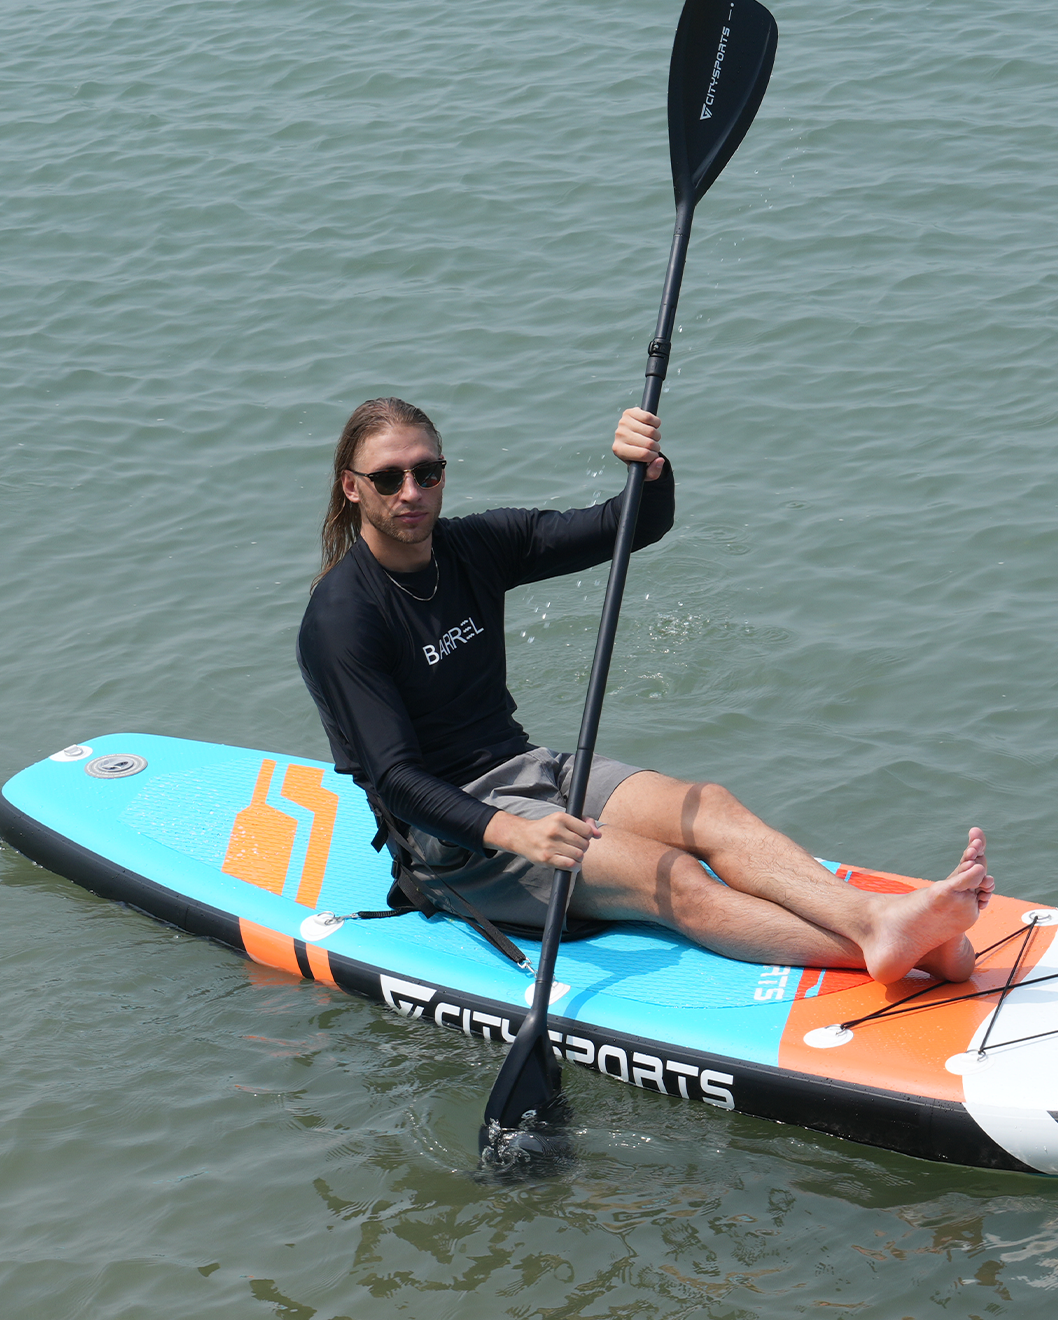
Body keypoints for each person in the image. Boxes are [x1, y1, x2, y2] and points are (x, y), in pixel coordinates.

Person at [297, 397, 992, 985]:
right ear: (351, 486)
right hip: (453, 841)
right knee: (673, 878)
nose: (411, 492)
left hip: (533, 773)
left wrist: (650, 472)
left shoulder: (475, 545)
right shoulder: (342, 618)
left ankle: (880, 924)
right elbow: (395, 778)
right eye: (389, 478)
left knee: (709, 810)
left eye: (427, 472)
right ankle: (906, 951)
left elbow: (632, 524)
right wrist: (518, 834)